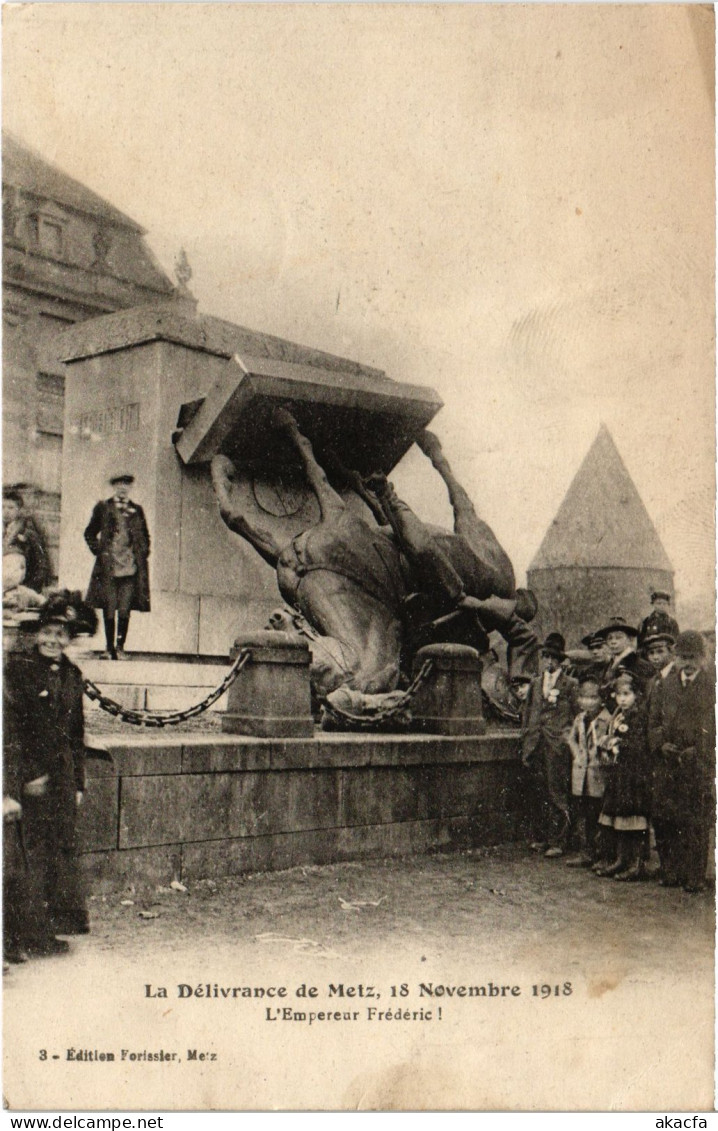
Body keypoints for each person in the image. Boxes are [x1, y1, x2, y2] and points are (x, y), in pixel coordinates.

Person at [3, 591, 98, 954]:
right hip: (28, 779)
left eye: (61, 635)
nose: (53, 640)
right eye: (48, 632)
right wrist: (25, 777)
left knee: (55, 857)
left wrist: (77, 783)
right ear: (37, 633)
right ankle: (13, 938)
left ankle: (42, 935)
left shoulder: (73, 676)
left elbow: (76, 735)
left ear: (70, 640)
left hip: (60, 781)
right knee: (24, 859)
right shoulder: (20, 670)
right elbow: (11, 731)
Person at [647, 630, 715, 892]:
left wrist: (698, 750)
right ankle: (670, 870)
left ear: (702, 658)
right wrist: (660, 744)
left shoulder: (711, 686)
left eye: (693, 657)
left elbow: (713, 726)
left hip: (696, 764)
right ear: (676, 657)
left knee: (695, 821)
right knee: (665, 818)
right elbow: (653, 720)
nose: (687, 663)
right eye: (683, 657)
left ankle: (694, 875)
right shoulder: (666, 684)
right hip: (667, 762)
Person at [521, 632, 576, 858]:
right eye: (546, 657)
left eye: (554, 658)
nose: (550, 662)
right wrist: (526, 740)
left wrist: (565, 738)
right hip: (536, 744)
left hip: (556, 745)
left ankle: (558, 840)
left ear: (561, 660)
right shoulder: (535, 683)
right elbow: (527, 714)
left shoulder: (570, 684)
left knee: (556, 791)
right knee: (538, 791)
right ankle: (541, 837)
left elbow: (576, 715)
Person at [84, 473, 150, 659]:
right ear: (114, 487)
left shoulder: (137, 510)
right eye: (119, 484)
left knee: (124, 608)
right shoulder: (103, 507)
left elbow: (145, 536)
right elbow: (89, 533)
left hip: (130, 568)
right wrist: (100, 552)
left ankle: (120, 648)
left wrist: (142, 553)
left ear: (130, 488)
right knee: (109, 607)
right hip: (109, 569)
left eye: (127, 484)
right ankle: (108, 648)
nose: (123, 488)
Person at [594, 671, 651, 881]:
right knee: (617, 813)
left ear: (636, 694)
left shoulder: (639, 715)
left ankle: (636, 864)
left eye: (627, 694)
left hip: (633, 773)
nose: (623, 699)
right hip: (619, 772)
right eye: (619, 695)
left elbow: (640, 745)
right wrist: (607, 742)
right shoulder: (618, 714)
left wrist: (618, 744)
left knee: (632, 815)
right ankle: (620, 859)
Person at [565, 675, 612, 867]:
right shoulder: (580, 718)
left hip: (598, 773)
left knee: (598, 813)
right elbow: (571, 739)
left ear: (601, 699)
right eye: (584, 697)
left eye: (593, 698)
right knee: (583, 813)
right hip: (581, 773)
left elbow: (607, 743)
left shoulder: (606, 719)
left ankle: (602, 854)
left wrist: (597, 755)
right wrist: (577, 754)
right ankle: (587, 852)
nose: (588, 702)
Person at [593, 616, 653, 702]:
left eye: (618, 637)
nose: (613, 642)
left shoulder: (639, 664)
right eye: (610, 638)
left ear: (629, 640)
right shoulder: (609, 664)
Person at [3, 487, 50, 596]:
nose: (6, 511)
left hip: (20, 589)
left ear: (19, 510)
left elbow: (41, 564)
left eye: (11, 507)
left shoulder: (28, 532)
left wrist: (29, 588)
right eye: (2, 507)